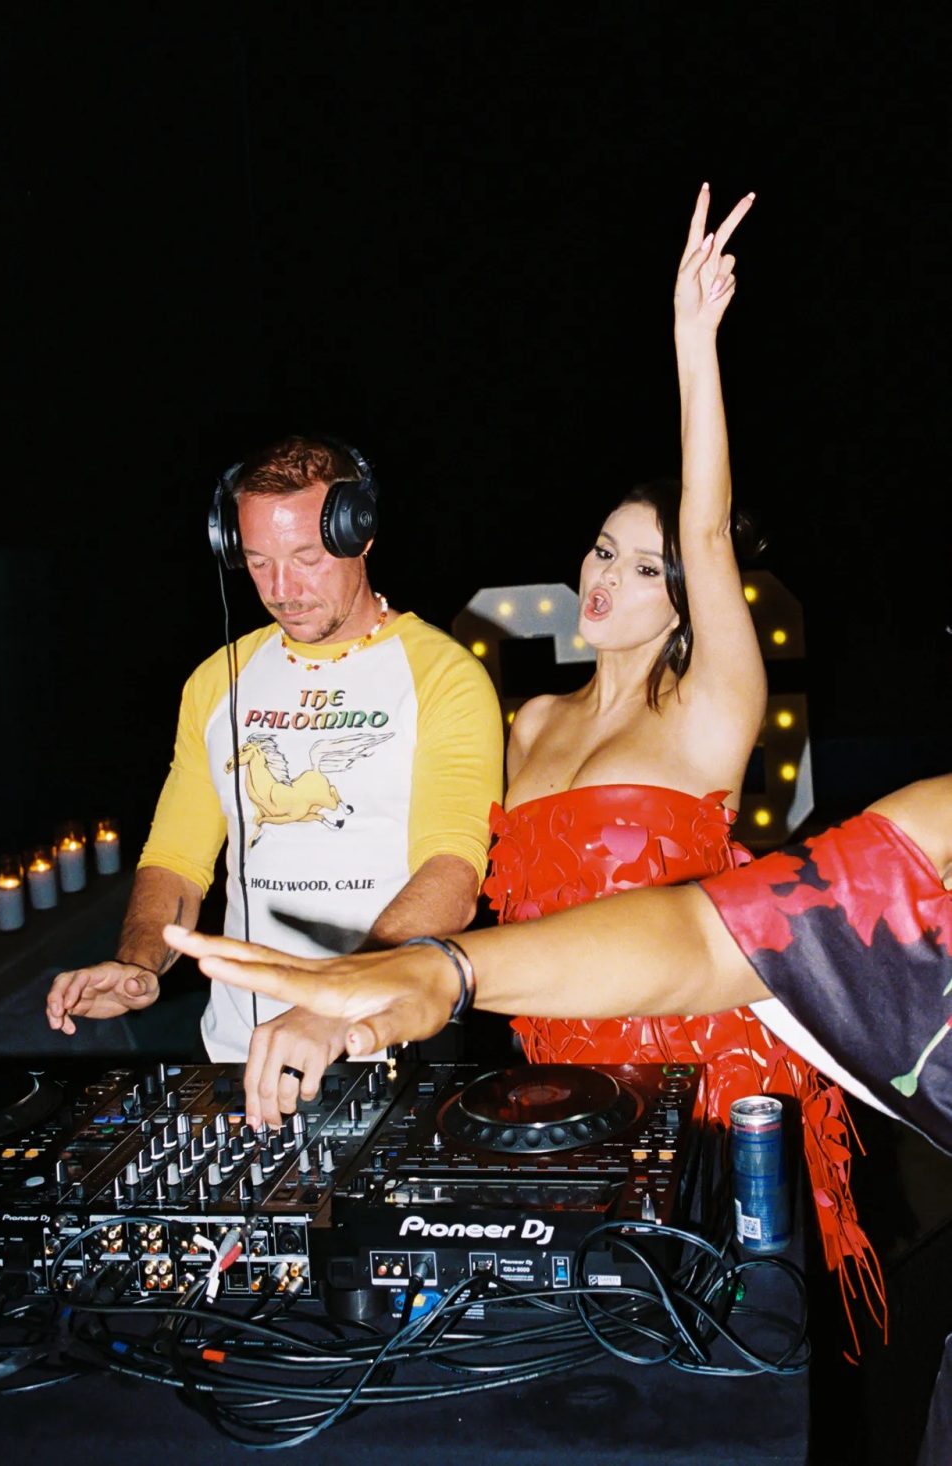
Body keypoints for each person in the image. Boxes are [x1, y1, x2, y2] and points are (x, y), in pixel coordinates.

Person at [478, 183, 880, 1320]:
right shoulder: (530, 723)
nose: (605, 577)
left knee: (718, 1342)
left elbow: (705, 524)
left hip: (704, 1080)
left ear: (688, 597)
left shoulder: (708, 708)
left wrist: (690, 339)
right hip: (562, 1081)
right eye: (602, 550)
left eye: (644, 567)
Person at [45, 435, 504, 1111]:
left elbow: (452, 874)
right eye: (258, 562)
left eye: (306, 559)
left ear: (360, 533)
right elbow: (176, 860)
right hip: (236, 1051)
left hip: (381, 1043)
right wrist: (138, 962)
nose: (281, 590)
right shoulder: (217, 680)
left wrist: (334, 1001)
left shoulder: (443, 676)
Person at [162, 773, 952, 1159]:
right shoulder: (933, 820)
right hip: (568, 1035)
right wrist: (442, 972)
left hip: (694, 1054)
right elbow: (713, 934)